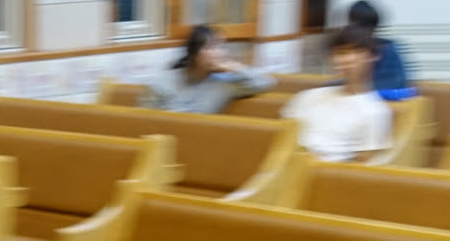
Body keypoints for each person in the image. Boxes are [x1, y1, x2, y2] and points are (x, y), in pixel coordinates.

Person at [282, 26, 395, 162]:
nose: (348, 59)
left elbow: (363, 166)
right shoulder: (308, 96)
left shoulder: (376, 111)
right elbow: (282, 136)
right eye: (341, 53)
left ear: (373, 56)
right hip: (286, 162)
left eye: (357, 51)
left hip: (323, 171)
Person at [144, 24, 277, 113]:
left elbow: (265, 82)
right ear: (194, 53)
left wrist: (236, 68)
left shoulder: (223, 85)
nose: (220, 53)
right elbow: (147, 118)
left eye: (221, 47)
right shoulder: (165, 81)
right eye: (211, 47)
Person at [346, 0, 418, 100]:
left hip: (393, 102)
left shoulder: (388, 50)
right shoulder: (357, 49)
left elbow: (393, 85)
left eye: (367, 26)